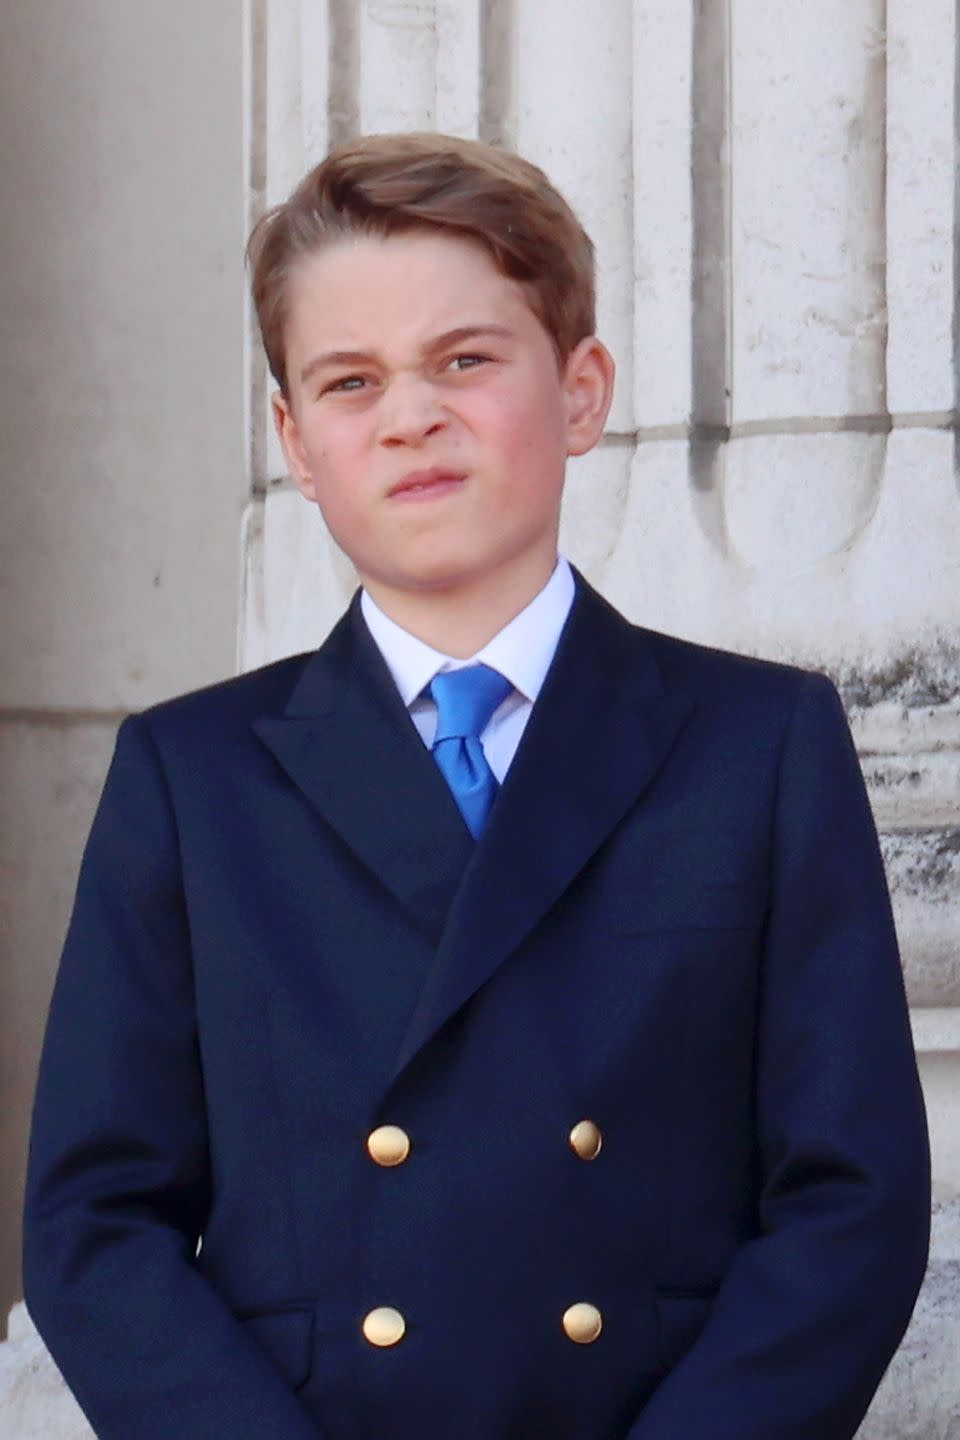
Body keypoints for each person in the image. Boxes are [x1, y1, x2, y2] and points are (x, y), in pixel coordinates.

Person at [23, 132, 930, 1440]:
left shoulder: (758, 744)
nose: (410, 415)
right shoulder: (191, 774)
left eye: (464, 360)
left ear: (580, 389)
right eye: (349, 381)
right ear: (292, 436)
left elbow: (851, 1200)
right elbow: (95, 1220)